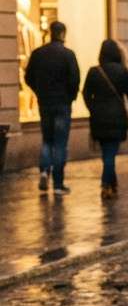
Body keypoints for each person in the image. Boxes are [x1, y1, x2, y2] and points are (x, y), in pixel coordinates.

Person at [23, 21, 79, 195]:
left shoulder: (38, 54)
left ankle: (44, 171)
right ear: (62, 34)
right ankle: (58, 183)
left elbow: (28, 77)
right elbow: (75, 80)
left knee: (47, 139)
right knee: (60, 143)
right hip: (62, 104)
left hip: (45, 103)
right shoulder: (68, 55)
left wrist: (39, 92)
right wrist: (70, 97)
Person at [83, 40, 128, 199]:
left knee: (107, 153)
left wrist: (93, 109)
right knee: (110, 153)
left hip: (99, 119)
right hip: (116, 118)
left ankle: (112, 185)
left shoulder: (94, 71)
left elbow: (86, 94)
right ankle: (106, 185)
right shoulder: (122, 71)